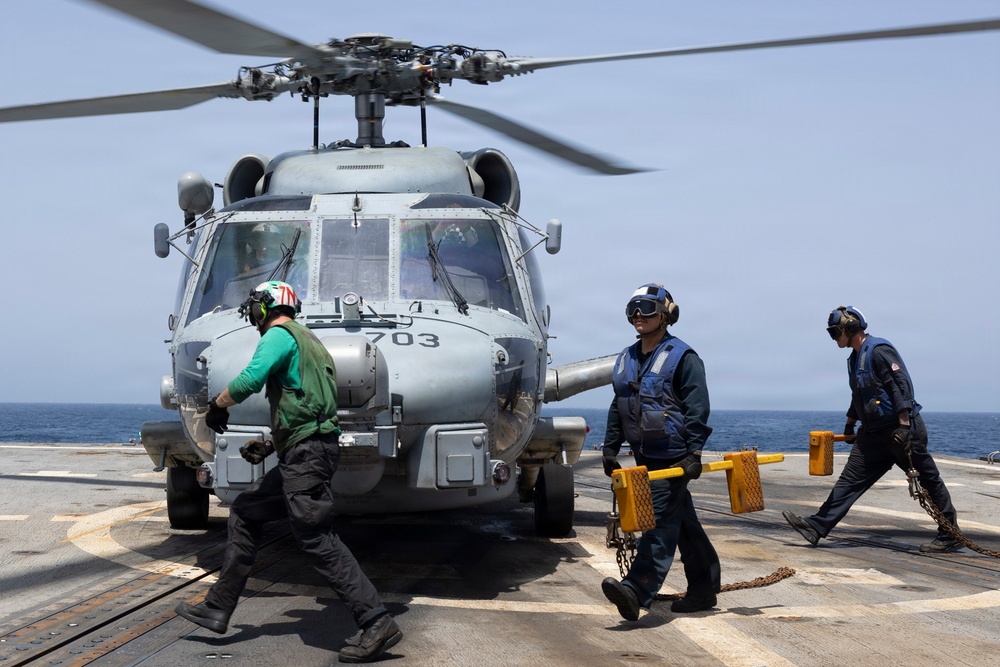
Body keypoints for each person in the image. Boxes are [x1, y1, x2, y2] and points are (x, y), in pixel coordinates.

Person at [174, 280, 403, 663]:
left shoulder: (278, 335)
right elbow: (309, 407)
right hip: (307, 451)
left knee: (316, 536)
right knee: (247, 511)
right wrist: (271, 443)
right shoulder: (311, 342)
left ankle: (376, 621)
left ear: (266, 308)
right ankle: (218, 607)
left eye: (254, 307)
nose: (251, 314)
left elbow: (250, 379)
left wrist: (218, 405)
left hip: (308, 455)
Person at [782, 306, 961, 553]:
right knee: (850, 480)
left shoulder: (879, 351)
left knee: (929, 480)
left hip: (900, 431)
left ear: (849, 329)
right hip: (874, 434)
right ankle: (816, 526)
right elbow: (861, 393)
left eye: (835, 332)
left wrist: (905, 426)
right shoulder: (855, 358)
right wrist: (849, 421)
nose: (833, 338)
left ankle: (950, 534)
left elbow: (901, 387)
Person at [600, 283, 721, 620]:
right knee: (684, 524)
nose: (639, 315)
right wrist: (611, 446)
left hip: (674, 458)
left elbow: (698, 407)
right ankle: (704, 589)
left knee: (660, 524)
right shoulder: (627, 357)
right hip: (644, 455)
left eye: (648, 308)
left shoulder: (683, 358)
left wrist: (694, 453)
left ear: (667, 315)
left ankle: (636, 590)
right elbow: (619, 404)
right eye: (633, 308)